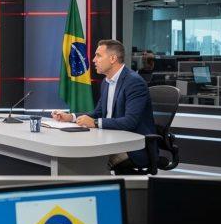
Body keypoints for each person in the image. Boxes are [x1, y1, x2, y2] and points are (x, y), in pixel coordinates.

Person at [51, 39, 155, 168]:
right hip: (112, 139)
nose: (94, 60)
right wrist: (70, 117)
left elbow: (130, 121)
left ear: (112, 59)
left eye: (98, 55)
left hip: (133, 148)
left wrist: (94, 123)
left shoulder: (134, 82)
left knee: (88, 160)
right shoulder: (106, 82)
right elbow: (97, 113)